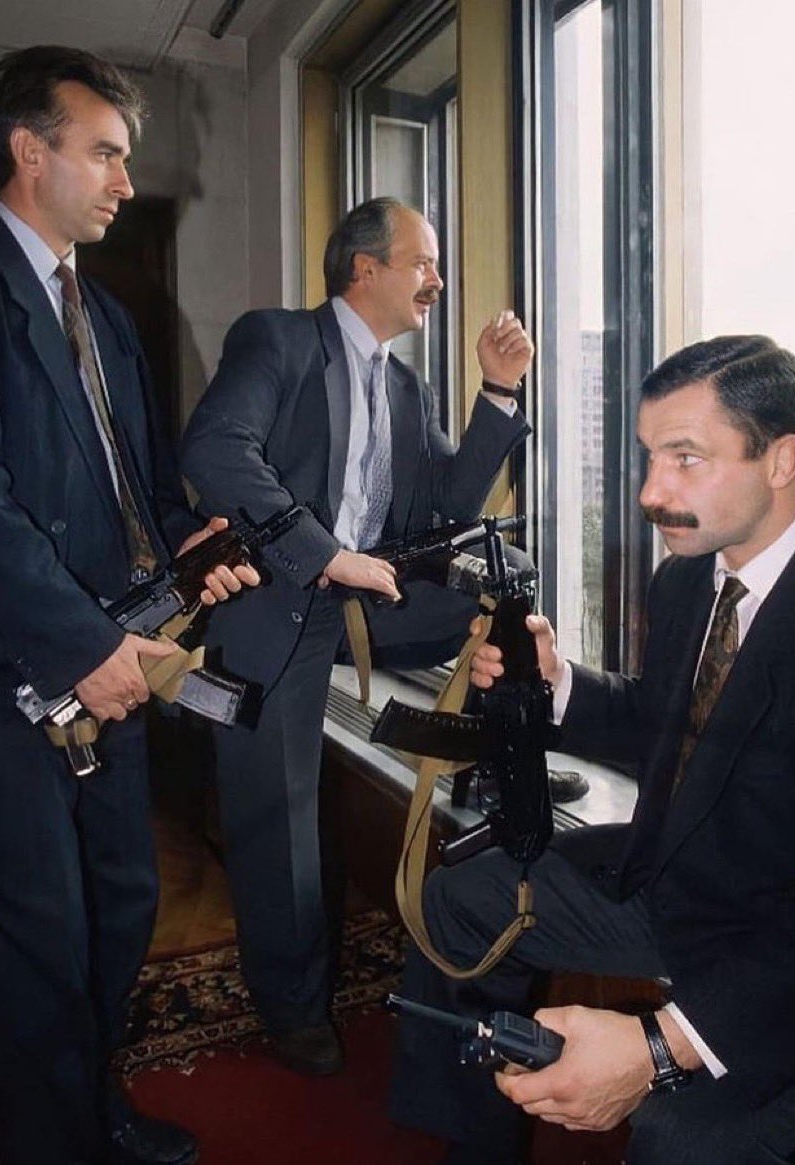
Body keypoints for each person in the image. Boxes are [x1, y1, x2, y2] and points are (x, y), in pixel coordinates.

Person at [389, 334, 795, 1165]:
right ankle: (472, 1145)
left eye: (684, 459)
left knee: (679, 1138)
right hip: (685, 882)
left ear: (781, 459)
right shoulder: (692, 574)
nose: (648, 491)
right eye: (647, 456)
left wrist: (661, 1045)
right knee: (456, 902)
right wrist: (558, 684)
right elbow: (668, 721)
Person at [180, 196, 533, 1075]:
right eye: (423, 263)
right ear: (363, 268)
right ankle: (291, 1008)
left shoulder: (406, 387)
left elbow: (449, 507)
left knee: (512, 587)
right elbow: (217, 451)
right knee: (280, 818)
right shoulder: (278, 340)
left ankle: (508, 771)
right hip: (278, 606)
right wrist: (327, 556)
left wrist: (498, 392)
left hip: (367, 601)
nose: (438, 281)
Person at [0, 46, 258, 1165]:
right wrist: (82, 639)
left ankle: (96, 1112)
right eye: (103, 153)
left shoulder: (107, 313)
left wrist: (185, 536)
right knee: (37, 938)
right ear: (27, 148)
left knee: (118, 902)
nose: (123, 182)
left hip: (116, 667)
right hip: (11, 678)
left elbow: (127, 486)